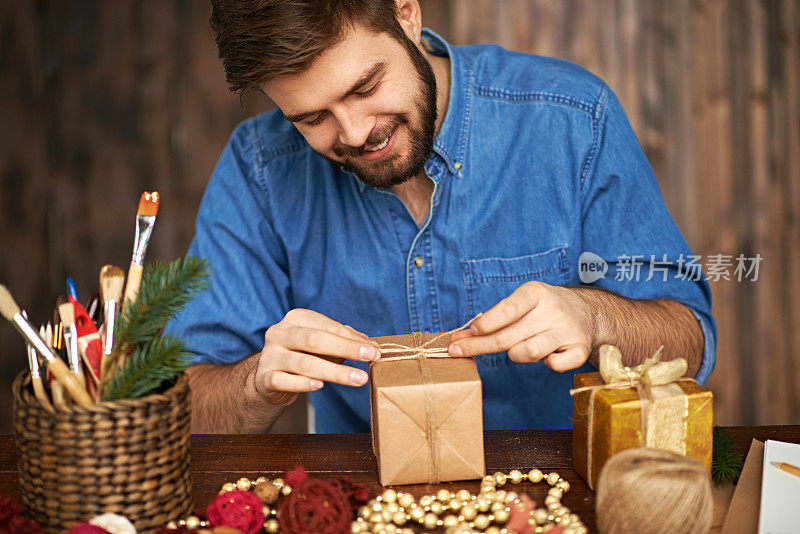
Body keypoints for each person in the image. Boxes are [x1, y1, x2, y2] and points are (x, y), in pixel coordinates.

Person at [165, 0, 716, 433]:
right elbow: (182, 406)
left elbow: (690, 341)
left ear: (406, 14)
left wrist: (595, 318)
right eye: (312, 118)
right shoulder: (261, 167)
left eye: (365, 87)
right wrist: (254, 383)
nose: (355, 134)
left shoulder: (572, 119)